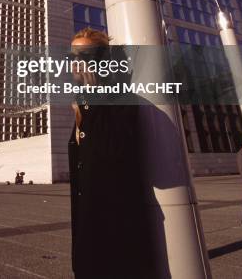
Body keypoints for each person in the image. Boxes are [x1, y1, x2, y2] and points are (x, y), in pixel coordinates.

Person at [68, 27, 169, 279]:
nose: (76, 63)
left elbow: (113, 151)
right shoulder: (83, 101)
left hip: (116, 226)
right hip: (87, 222)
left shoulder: (120, 98)